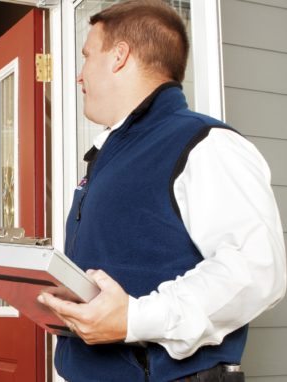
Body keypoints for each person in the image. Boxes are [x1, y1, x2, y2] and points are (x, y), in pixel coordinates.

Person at [37, 1, 286, 381]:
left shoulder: (207, 143)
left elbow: (255, 270)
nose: (79, 75)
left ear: (119, 56)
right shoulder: (109, 157)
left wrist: (136, 319)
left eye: (87, 56)